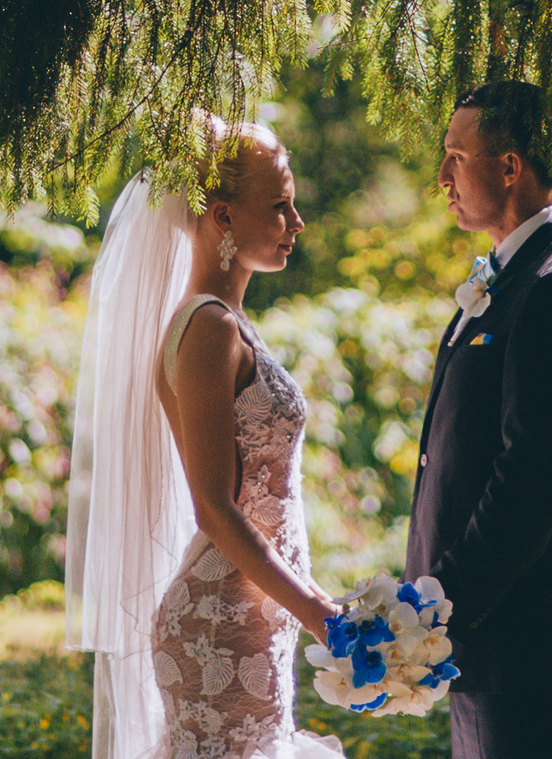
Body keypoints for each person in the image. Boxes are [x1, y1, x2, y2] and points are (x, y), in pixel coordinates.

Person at [66, 117, 345, 759]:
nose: (297, 222)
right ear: (222, 216)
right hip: (219, 620)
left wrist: (310, 603)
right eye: (279, 207)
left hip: (257, 611)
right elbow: (215, 508)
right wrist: (312, 611)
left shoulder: (230, 324)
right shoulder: (208, 329)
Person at [405, 80, 552, 759]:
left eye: (456, 157)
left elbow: (532, 481)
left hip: (532, 651)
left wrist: (439, 604)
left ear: (509, 166)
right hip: (487, 648)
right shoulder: (510, 275)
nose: (442, 176)